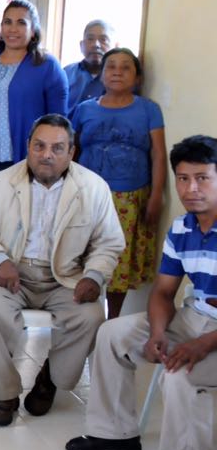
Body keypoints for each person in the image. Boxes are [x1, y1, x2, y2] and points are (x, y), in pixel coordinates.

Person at [64, 136, 217, 450]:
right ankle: (115, 433)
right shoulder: (182, 229)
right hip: (194, 315)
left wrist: (200, 345)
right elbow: (164, 292)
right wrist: (160, 334)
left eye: (202, 178)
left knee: (180, 372)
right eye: (182, 179)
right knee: (114, 333)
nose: (191, 188)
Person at [0, 114, 125, 427]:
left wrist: (94, 275)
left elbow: (109, 243)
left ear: (71, 152)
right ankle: (4, 392)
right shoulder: (1, 182)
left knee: (90, 316)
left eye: (57, 148)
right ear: (28, 147)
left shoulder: (93, 188)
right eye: (40, 146)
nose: (47, 154)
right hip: (10, 275)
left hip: (65, 277)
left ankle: (49, 378)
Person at [71, 48, 166, 319]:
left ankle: (111, 321)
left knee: (119, 263)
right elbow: (72, 151)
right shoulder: (84, 109)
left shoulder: (148, 109)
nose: (117, 72)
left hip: (130, 197)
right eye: (110, 66)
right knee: (82, 256)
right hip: (88, 196)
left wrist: (157, 195)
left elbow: (158, 154)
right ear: (101, 75)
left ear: (137, 78)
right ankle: (81, 317)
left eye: (126, 67)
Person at [0, 0, 68, 193]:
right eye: (7, 22)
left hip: (25, 160)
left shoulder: (47, 65)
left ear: (33, 31)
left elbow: (60, 122)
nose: (13, 29)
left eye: (21, 23)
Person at [64, 19, 115, 110]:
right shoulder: (66, 73)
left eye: (103, 40)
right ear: (81, 45)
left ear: (114, 46)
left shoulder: (118, 78)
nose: (96, 45)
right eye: (90, 39)